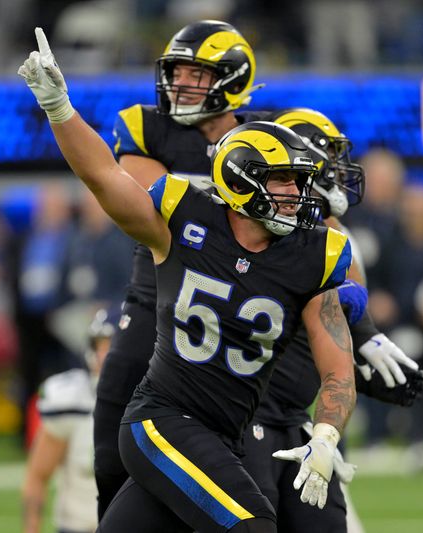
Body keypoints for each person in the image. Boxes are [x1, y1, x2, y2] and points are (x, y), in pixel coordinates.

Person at [20, 27, 356, 533]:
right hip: (162, 421)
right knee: (253, 525)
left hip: (225, 435)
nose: (296, 193)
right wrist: (58, 107)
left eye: (298, 181)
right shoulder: (183, 221)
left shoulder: (312, 256)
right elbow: (103, 177)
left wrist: (327, 435)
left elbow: (338, 367)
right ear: (244, 181)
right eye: (283, 179)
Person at [91, 20, 423, 521]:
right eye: (177, 70)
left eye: (195, 73)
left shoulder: (271, 140)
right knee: (114, 443)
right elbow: (143, 205)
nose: (180, 83)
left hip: (248, 340)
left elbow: (319, 245)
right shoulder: (149, 129)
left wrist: (364, 328)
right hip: (166, 297)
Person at [241, 108, 423, 533]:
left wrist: (363, 338)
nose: (339, 172)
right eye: (329, 159)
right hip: (243, 415)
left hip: (293, 417)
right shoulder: (258, 231)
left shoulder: (329, 235)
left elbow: (344, 299)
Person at [22, 308, 116, 533]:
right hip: (77, 526)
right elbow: (37, 476)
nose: (104, 355)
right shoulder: (69, 400)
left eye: (111, 345)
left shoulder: (151, 398)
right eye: (100, 346)